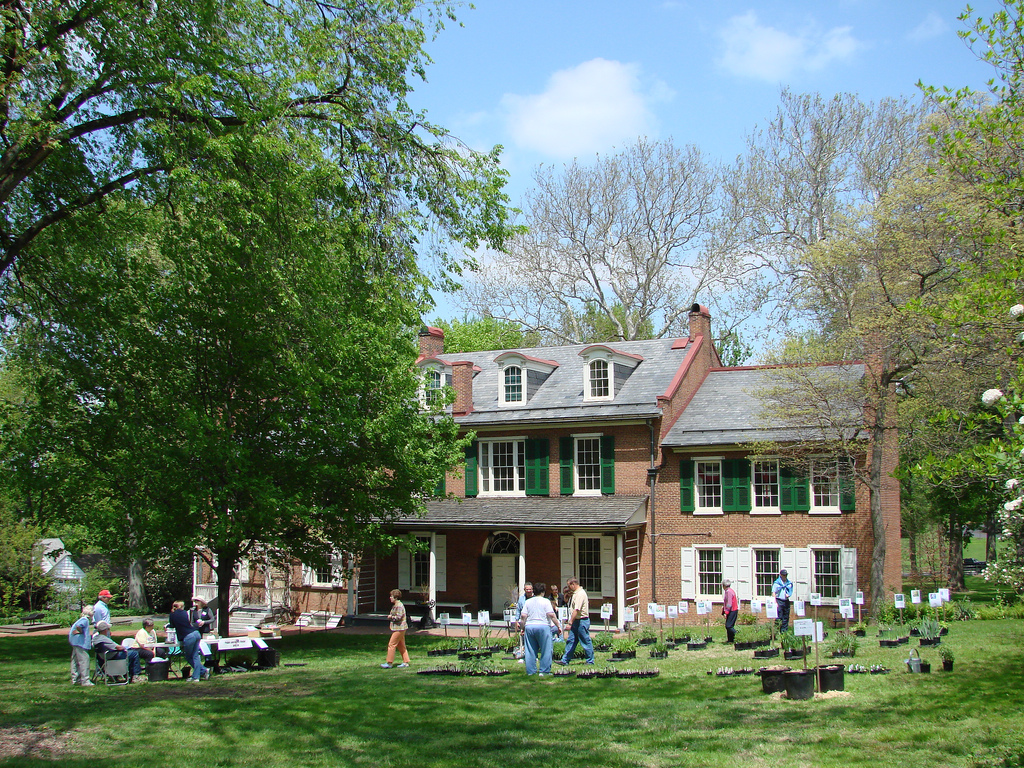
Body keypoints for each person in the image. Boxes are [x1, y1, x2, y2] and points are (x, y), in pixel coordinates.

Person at [519, 581, 562, 676]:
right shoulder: (546, 601)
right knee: (546, 649)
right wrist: (558, 626)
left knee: (530, 649)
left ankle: (531, 671)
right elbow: (551, 615)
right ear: (543, 592)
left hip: (530, 626)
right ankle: (544, 670)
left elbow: (523, 616)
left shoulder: (528, 602)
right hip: (543, 626)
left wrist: (522, 627)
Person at [169, 599, 209, 681]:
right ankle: (200, 673)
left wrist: (167, 626)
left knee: (189, 656)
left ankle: (199, 674)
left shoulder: (172, 614)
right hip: (196, 633)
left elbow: (172, 625)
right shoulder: (184, 613)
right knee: (195, 656)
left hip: (188, 636)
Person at [557, 577, 594, 666]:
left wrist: (570, 623)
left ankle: (590, 661)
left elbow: (576, 610)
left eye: (569, 585)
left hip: (582, 621)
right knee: (571, 640)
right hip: (576, 621)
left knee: (585, 640)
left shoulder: (580, 594)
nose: (568, 587)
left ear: (573, 584)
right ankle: (565, 660)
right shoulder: (576, 593)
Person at [380, 588, 411, 669]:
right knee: (401, 645)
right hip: (400, 628)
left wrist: (391, 617)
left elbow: (399, 617)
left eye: (391, 596)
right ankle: (406, 662)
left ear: (396, 597)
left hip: (399, 628)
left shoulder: (399, 606)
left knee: (391, 644)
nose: (390, 598)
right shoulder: (396, 605)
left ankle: (389, 663)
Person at [69, 605, 95, 686]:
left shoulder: (81, 619)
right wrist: (80, 631)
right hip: (80, 643)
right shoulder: (85, 620)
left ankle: (75, 679)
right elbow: (79, 626)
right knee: (84, 660)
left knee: (75, 661)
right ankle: (85, 680)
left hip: (75, 642)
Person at [773, 568, 794, 634]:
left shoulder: (789, 583)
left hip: (786, 601)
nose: (785, 576)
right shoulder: (777, 583)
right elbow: (773, 592)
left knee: (786, 617)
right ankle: (777, 632)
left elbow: (790, 590)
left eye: (786, 575)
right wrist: (775, 602)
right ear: (781, 575)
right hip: (779, 600)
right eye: (784, 575)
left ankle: (784, 632)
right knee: (779, 617)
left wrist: (789, 594)